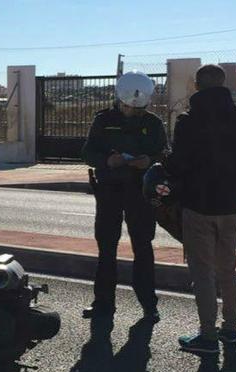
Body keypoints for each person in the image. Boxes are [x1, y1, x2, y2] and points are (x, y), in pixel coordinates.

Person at [168, 64, 236, 355]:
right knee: (228, 268)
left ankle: (207, 335)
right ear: (224, 85)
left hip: (198, 205)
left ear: (197, 86)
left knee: (202, 272)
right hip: (233, 205)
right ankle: (231, 330)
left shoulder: (189, 120)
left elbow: (179, 164)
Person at [81, 71, 167, 322]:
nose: (133, 112)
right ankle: (103, 304)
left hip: (140, 193)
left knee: (143, 247)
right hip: (109, 191)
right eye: (129, 108)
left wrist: (149, 160)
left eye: (138, 109)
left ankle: (149, 304)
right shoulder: (103, 120)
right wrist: (108, 160)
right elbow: (88, 153)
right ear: (120, 99)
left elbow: (164, 152)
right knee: (106, 248)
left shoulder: (152, 123)